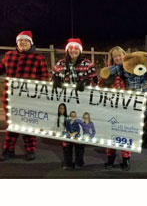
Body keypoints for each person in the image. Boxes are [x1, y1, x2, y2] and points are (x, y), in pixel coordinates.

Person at [0, 31, 49, 161]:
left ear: (30, 43)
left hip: (29, 99)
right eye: (20, 41)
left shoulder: (38, 58)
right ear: (17, 43)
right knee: (12, 125)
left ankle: (30, 151)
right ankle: (8, 150)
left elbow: (45, 78)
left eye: (25, 41)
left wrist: (40, 94)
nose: (22, 43)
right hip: (10, 98)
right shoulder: (8, 56)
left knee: (28, 125)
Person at [52, 38, 97, 170]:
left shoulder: (88, 64)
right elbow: (54, 76)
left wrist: (86, 83)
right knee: (66, 130)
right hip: (65, 103)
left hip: (81, 104)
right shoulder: (60, 63)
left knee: (79, 130)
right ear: (67, 50)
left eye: (76, 48)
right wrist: (54, 80)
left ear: (80, 50)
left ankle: (79, 161)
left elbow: (95, 80)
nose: (73, 50)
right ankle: (67, 161)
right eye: (71, 48)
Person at [98, 46, 131, 171]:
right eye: (115, 56)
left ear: (124, 55)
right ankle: (110, 158)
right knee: (110, 133)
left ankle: (126, 159)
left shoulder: (130, 71)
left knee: (125, 133)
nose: (117, 58)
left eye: (119, 55)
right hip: (110, 107)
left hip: (126, 107)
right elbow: (100, 86)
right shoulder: (107, 72)